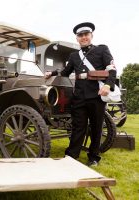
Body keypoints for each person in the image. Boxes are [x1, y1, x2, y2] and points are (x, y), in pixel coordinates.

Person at [45, 22, 117, 166]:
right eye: (80, 35)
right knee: (78, 127)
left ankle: (94, 157)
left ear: (91, 36)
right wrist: (51, 73)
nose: (83, 37)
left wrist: (109, 84)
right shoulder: (74, 56)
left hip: (97, 95)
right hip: (79, 96)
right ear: (77, 38)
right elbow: (66, 71)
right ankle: (72, 155)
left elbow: (112, 69)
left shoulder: (102, 49)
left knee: (96, 127)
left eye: (86, 34)